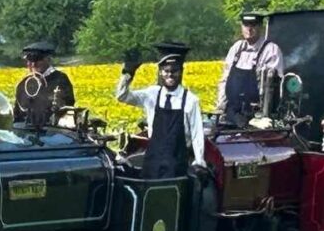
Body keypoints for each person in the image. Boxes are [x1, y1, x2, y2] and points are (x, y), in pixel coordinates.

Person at [116, 41, 207, 178]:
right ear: (160, 72)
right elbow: (122, 96)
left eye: (174, 71)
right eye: (166, 71)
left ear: (181, 72)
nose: (170, 75)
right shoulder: (152, 95)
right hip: (153, 160)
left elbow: (196, 134)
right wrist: (128, 73)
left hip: (177, 163)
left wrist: (199, 162)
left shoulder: (190, 100)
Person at [216, 13, 285, 121]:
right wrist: (221, 108)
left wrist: (265, 117)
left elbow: (272, 88)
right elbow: (225, 80)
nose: (249, 29)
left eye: (253, 25)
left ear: (260, 27)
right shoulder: (237, 48)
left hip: (257, 116)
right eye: (246, 25)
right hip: (232, 114)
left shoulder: (271, 50)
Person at [14, 42, 76, 129]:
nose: (33, 65)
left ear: (48, 59)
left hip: (52, 132)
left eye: (37, 60)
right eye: (30, 60)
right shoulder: (23, 83)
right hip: (26, 132)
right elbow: (17, 114)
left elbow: (67, 107)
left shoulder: (60, 79)